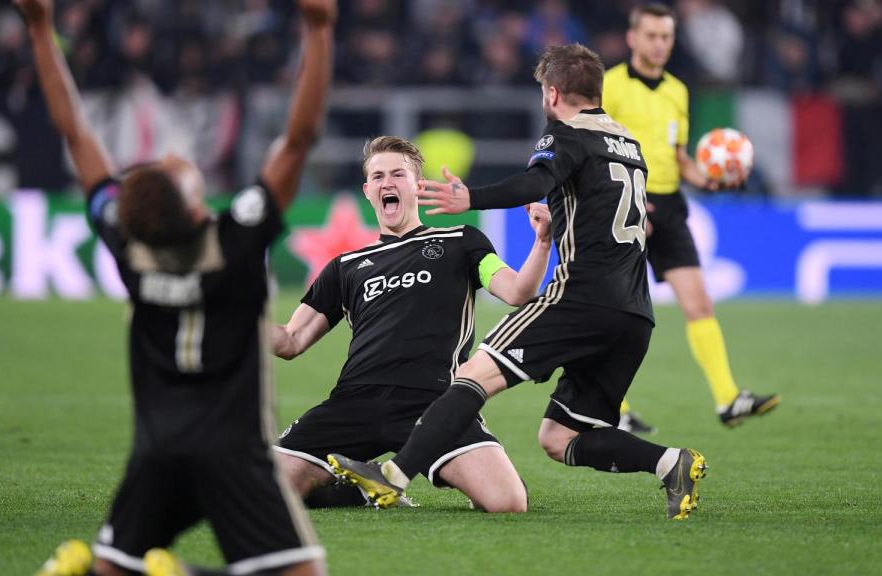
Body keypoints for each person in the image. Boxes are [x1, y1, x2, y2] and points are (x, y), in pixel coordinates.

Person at [17, 0, 336, 574]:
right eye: (175, 168)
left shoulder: (130, 247)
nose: (170, 156)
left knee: (113, 566)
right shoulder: (235, 243)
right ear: (195, 210)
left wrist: (40, 28)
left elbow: (75, 130)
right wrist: (319, 29)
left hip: (157, 451)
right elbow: (298, 138)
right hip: (236, 454)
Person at [328, 43, 707, 520]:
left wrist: (472, 197)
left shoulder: (565, 134)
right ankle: (671, 463)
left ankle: (393, 476)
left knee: (471, 376)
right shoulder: (629, 145)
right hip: (634, 314)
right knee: (560, 437)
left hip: (579, 300)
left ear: (552, 94)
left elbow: (534, 183)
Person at [272, 136, 552, 513]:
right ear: (367, 190)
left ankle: (391, 474)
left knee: (508, 502)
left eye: (398, 174)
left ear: (417, 186)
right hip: (353, 402)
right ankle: (358, 489)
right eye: (378, 176)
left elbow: (517, 291)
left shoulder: (460, 241)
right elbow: (290, 340)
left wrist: (543, 242)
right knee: (266, 493)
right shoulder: (345, 267)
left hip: (434, 402)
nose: (388, 182)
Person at [602, 3, 780, 430]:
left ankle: (727, 399)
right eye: (651, 36)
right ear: (632, 38)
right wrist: (622, 200)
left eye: (666, 36)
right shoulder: (609, 87)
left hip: (669, 206)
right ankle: (615, 409)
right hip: (624, 207)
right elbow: (598, 152)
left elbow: (679, 156)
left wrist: (707, 178)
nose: (660, 44)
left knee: (699, 303)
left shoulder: (678, 91)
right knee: (614, 312)